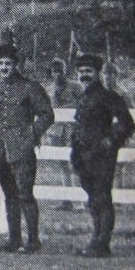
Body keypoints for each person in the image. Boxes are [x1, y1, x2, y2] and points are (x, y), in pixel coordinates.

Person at [0, 42, 55, 253]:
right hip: (0, 150)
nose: (4, 67)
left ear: (16, 65)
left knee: (25, 194)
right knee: (9, 193)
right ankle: (14, 239)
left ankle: (33, 241)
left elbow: (47, 114)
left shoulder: (30, 87)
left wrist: (31, 135)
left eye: (8, 63)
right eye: (1, 63)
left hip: (21, 149)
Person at [70, 54, 135, 257]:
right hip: (83, 155)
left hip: (101, 155)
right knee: (92, 198)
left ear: (97, 73)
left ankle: (103, 243)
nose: (84, 75)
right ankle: (95, 239)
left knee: (102, 197)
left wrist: (109, 142)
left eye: (88, 71)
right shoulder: (83, 97)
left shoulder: (109, 96)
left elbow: (127, 123)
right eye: (81, 72)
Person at [44, 57, 81, 205]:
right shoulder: (49, 89)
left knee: (76, 163)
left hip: (72, 129)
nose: (57, 74)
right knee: (62, 164)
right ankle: (67, 199)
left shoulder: (75, 87)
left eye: (60, 71)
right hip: (55, 130)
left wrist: (66, 108)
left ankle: (79, 199)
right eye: (54, 71)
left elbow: (82, 103)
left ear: (65, 71)